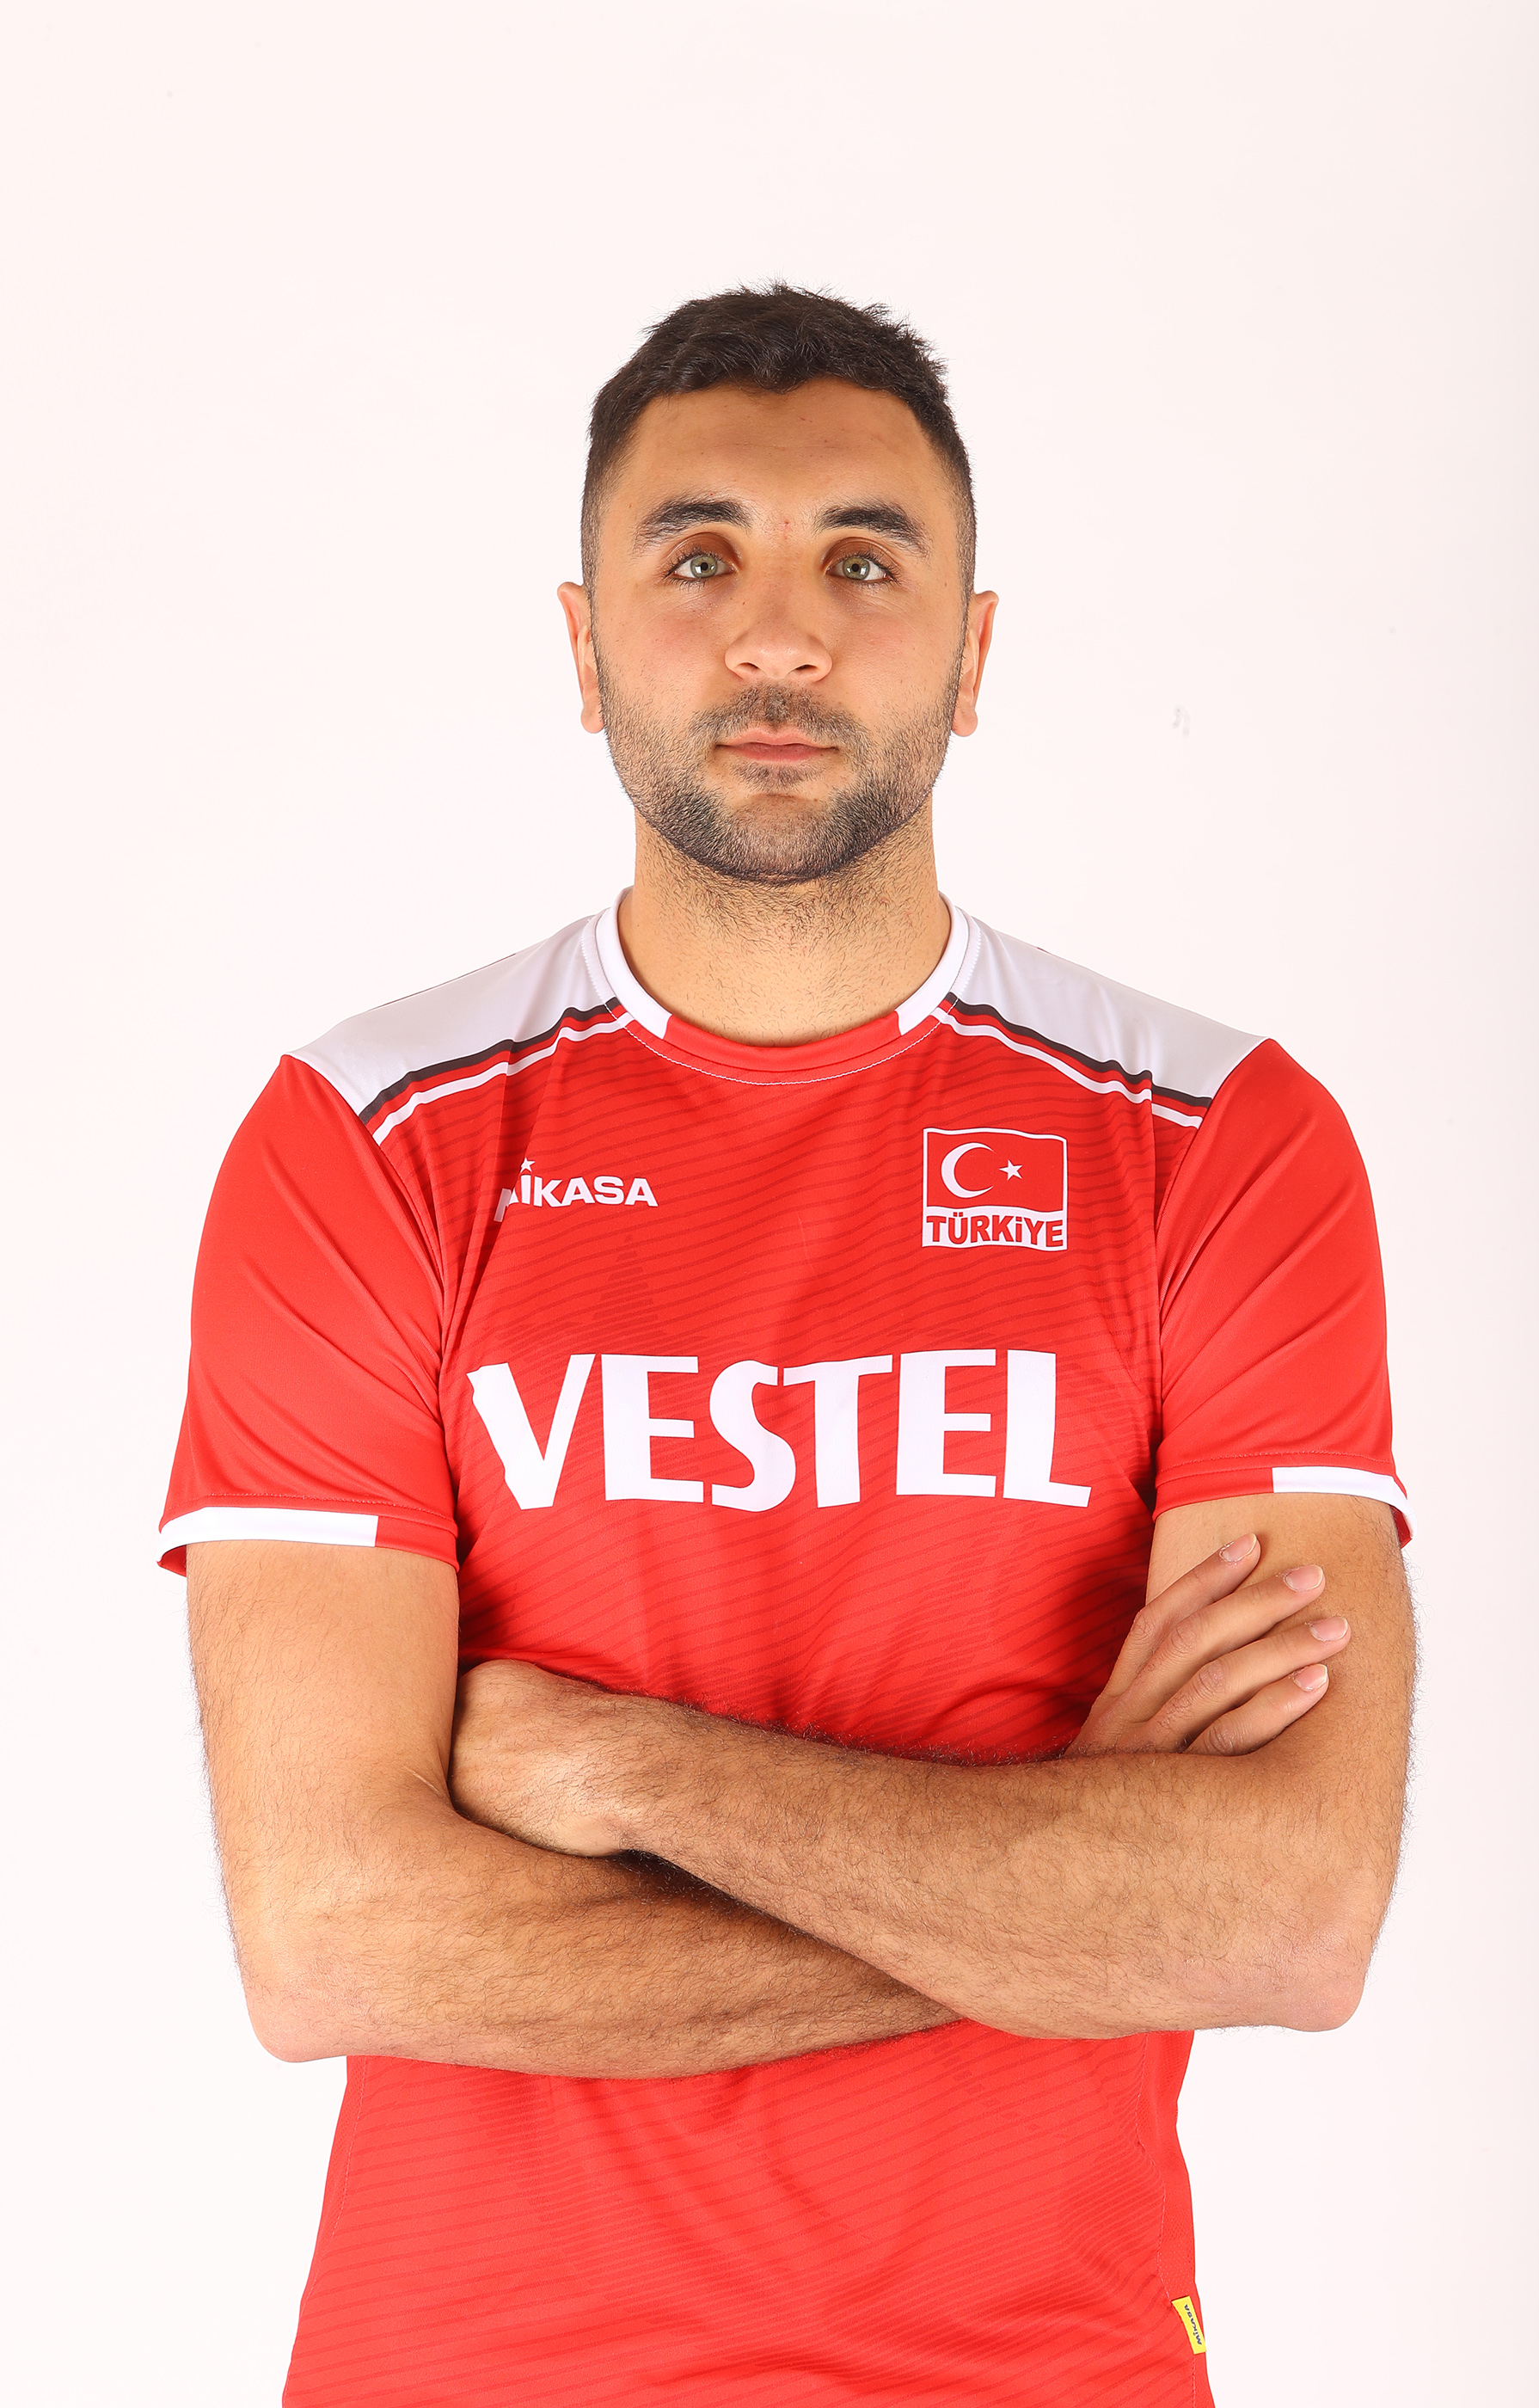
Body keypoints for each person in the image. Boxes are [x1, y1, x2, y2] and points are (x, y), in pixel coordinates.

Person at [162, 285, 1413, 2407]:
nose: (777, 637)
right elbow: (335, 1938)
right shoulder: (367, 1141)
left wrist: (613, 1766)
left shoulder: (1218, 1142)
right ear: (583, 648)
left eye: (861, 558)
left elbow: (1284, 1914)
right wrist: (1061, 1870)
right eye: (696, 558)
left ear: (975, 652)